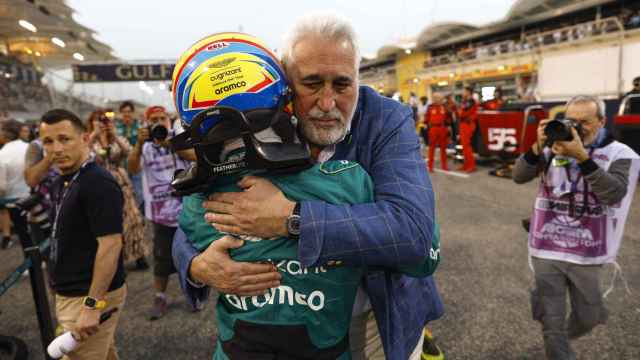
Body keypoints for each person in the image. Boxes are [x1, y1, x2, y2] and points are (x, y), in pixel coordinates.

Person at [173, 13, 443, 360]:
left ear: (358, 81)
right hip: (284, 321)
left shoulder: (386, 119)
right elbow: (202, 201)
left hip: (378, 311)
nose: (328, 103)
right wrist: (195, 264)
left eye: (343, 85)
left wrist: (292, 217)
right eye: (312, 84)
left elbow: (414, 234)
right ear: (284, 84)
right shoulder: (259, 116)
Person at [512, 96, 639, 360]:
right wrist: (537, 146)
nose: (578, 128)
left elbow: (613, 194)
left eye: (585, 122)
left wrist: (581, 156)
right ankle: (554, 336)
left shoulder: (620, 154)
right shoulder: (551, 146)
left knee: (589, 316)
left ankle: (558, 335)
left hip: (587, 251)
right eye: (572, 121)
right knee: (552, 320)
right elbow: (518, 176)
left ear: (602, 122)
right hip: (547, 247)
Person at [39, 109, 126, 360]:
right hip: (73, 293)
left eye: (64, 139)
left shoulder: (97, 183)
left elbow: (110, 246)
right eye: (48, 141)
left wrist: (92, 306)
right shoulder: (64, 179)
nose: (56, 148)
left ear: (85, 139)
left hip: (86, 296)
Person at [128, 105, 187, 320]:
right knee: (161, 258)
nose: (159, 122)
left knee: (190, 254)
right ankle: (160, 296)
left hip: (186, 208)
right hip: (161, 212)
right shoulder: (144, 145)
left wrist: (169, 142)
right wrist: (138, 144)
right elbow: (133, 168)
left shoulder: (179, 137)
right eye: (154, 119)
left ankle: (192, 292)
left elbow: (193, 156)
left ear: (169, 120)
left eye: (162, 118)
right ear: (147, 123)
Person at [87, 109, 149, 266]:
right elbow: (83, 155)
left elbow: (129, 152)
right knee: (108, 221)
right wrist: (94, 135)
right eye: (98, 120)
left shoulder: (116, 139)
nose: (102, 124)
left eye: (104, 120)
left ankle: (138, 253)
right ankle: (115, 257)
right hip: (97, 184)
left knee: (132, 218)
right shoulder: (88, 140)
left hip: (120, 182)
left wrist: (113, 135)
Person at [0, 119, 30, 249]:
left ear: (4, 134)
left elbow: (2, 186)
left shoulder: (2, 155)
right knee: (41, 235)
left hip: (15, 202)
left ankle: (34, 267)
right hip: (37, 198)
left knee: (26, 238)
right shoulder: (30, 147)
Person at [425, 93, 451, 172]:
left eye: (439, 98)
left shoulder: (445, 107)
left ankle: (444, 165)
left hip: (442, 128)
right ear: (433, 98)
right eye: (435, 98)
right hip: (433, 128)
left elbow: (449, 118)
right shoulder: (430, 107)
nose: (437, 99)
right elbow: (426, 118)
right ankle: (430, 166)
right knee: (431, 148)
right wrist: (427, 127)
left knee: (443, 148)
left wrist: (448, 127)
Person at [457, 86, 478, 172]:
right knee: (464, 146)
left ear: (468, 92)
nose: (463, 93)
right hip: (463, 124)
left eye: (464, 91)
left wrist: (460, 111)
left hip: (467, 124)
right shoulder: (466, 101)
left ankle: (471, 165)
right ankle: (466, 164)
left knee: (467, 146)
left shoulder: (470, 101)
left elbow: (462, 113)